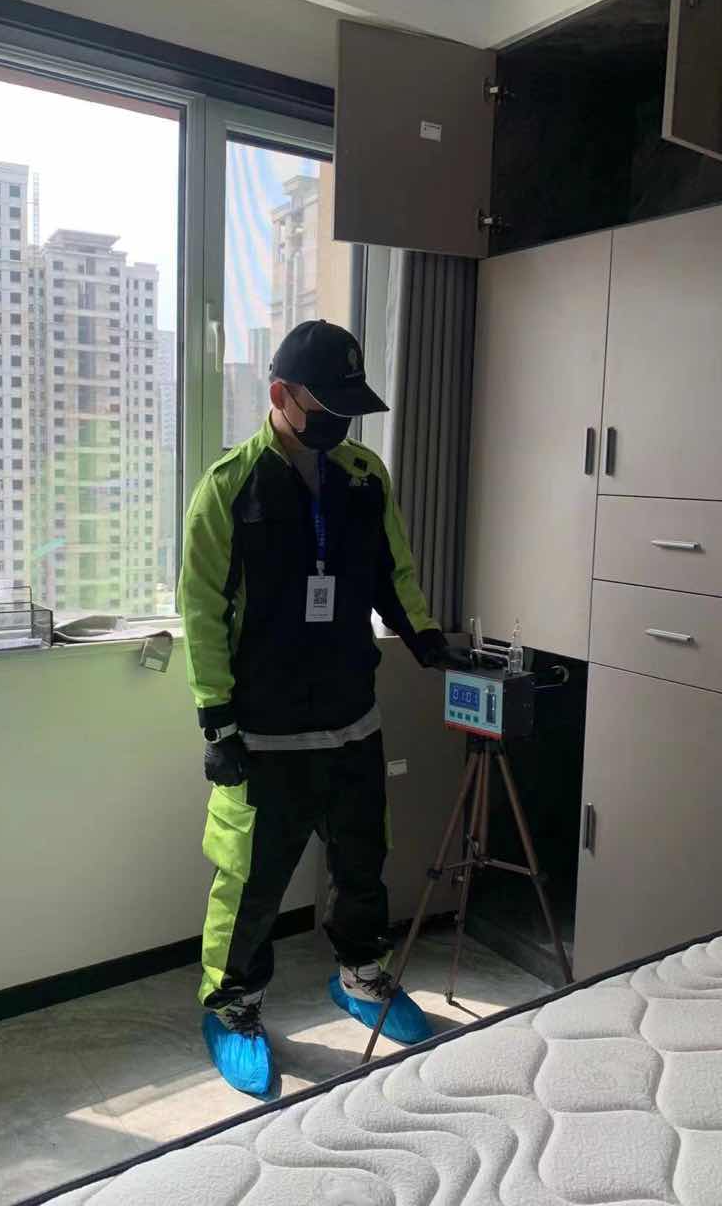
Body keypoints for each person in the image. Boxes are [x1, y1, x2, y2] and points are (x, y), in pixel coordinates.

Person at [177, 319, 450, 1097]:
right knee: (251, 880)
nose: (341, 424)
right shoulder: (229, 487)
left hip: (352, 715)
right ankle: (232, 1005)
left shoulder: (364, 476)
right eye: (327, 407)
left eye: (350, 409)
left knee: (363, 862)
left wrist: (423, 634)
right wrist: (216, 720)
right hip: (264, 730)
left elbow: (392, 570)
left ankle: (361, 974)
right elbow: (201, 609)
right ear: (281, 395)